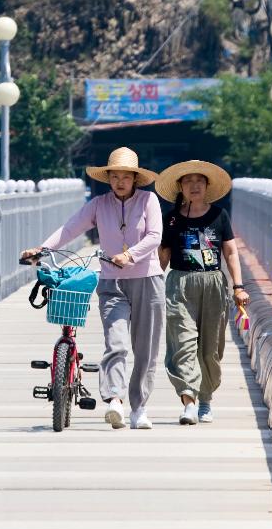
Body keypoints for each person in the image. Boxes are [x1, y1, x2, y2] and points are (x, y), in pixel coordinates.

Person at [21, 147, 165, 430]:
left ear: (135, 178)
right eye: (114, 176)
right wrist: (42, 248)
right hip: (111, 281)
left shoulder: (149, 200)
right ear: (108, 178)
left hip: (147, 279)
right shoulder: (99, 204)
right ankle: (115, 401)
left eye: (126, 176)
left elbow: (155, 236)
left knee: (145, 349)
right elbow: (70, 228)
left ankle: (140, 408)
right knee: (117, 342)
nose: (120, 182)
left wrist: (130, 255)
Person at [153, 160, 246, 425]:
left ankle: (205, 398)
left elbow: (230, 252)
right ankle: (189, 400)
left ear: (207, 186)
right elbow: (163, 257)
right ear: (180, 187)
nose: (194, 186)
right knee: (182, 343)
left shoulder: (219, 215)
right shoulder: (170, 218)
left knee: (210, 349)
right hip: (179, 284)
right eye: (188, 181)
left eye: (199, 181)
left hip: (213, 284)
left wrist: (238, 287)